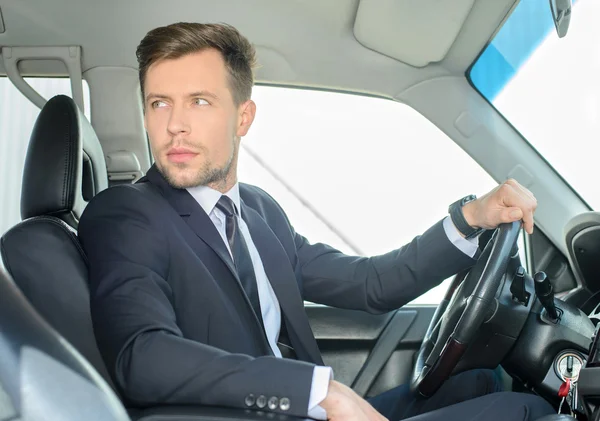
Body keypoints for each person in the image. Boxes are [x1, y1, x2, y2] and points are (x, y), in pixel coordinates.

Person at [78, 22, 555, 421]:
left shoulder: (258, 211)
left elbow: (371, 284)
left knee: (479, 380)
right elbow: (143, 356)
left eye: (199, 101)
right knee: (525, 412)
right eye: (159, 102)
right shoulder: (126, 213)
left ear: (243, 117)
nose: (174, 124)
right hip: (276, 411)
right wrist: (321, 391)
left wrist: (472, 218)